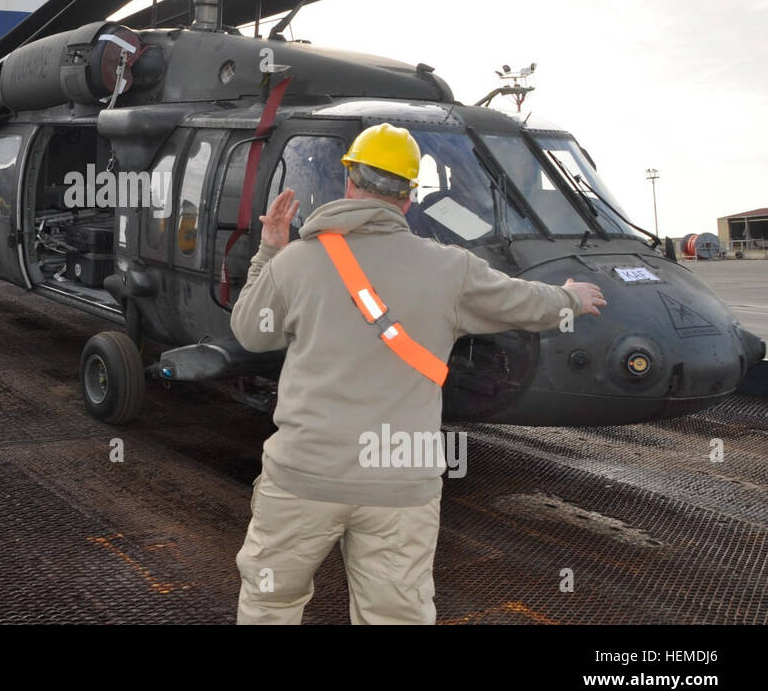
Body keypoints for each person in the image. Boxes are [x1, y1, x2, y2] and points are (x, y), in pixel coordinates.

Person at [230, 123, 606, 625]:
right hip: (400, 483)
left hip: (305, 475)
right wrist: (571, 299)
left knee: (270, 603)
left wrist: (270, 250)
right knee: (397, 615)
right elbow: (525, 301)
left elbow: (252, 333)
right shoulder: (451, 268)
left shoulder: (297, 260)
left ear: (348, 183)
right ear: (408, 197)